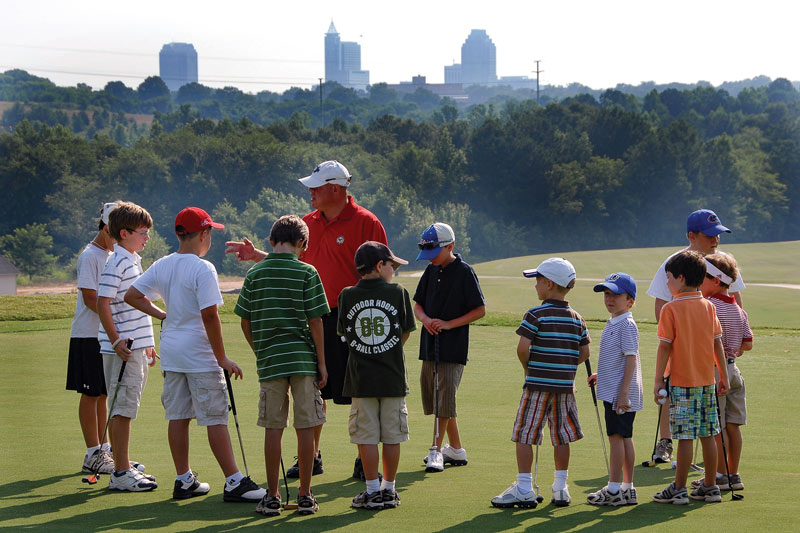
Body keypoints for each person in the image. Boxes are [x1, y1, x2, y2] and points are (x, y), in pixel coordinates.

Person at [225, 160, 388, 480]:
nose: (310, 192)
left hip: (354, 316)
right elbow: (291, 261)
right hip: (313, 315)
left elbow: (381, 272)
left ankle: (364, 458)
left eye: (316, 187)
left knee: (359, 391)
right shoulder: (306, 223)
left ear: (336, 189)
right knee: (315, 388)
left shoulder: (367, 222)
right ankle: (310, 457)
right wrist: (259, 255)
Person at [124, 207, 266, 503]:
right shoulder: (204, 268)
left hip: (173, 351)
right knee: (215, 417)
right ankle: (234, 482)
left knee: (178, 416)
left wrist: (164, 314)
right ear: (203, 234)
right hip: (199, 354)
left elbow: (132, 295)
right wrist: (222, 358)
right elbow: (210, 316)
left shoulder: (163, 264)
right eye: (210, 232)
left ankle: (184, 479)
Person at [233, 215, 330, 516]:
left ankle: (272, 496)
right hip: (302, 359)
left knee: (273, 428)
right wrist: (322, 364)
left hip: (271, 359)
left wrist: (259, 351)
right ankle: (305, 494)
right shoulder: (307, 271)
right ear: (302, 244)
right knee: (306, 427)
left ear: (271, 242)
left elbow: (245, 321)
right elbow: (315, 321)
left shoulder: (255, 274)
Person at [646, 208, 745, 464]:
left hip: (715, 346)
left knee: (711, 402)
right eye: (710, 235)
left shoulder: (723, 263)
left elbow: (735, 301)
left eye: (719, 234)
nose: (716, 240)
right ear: (692, 235)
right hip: (681, 342)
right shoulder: (676, 263)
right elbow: (661, 302)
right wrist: (672, 337)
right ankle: (666, 441)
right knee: (671, 389)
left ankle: (711, 457)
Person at [491, 258, 590, 509]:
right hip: (565, 388)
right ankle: (560, 488)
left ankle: (524, 488)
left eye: (537, 281)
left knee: (525, 433)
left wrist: (528, 369)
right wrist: (565, 368)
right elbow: (585, 352)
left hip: (536, 385)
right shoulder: (577, 318)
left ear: (548, 284)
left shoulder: (535, 314)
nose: (535, 286)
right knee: (561, 437)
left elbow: (523, 347)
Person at [337, 241, 416, 510]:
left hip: (361, 379)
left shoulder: (346, 295)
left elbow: (346, 335)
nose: (393, 270)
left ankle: (371, 490)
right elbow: (404, 332)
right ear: (380, 266)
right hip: (392, 377)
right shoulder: (398, 292)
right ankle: (388, 490)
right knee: (392, 435)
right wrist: (388, 351)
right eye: (392, 265)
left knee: (366, 436)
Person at [652, 250, 730, 505]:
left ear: (681, 277)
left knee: (685, 436)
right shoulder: (709, 306)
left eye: (669, 278)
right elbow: (717, 342)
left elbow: (664, 347)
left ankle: (678, 488)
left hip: (682, 382)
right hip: (707, 380)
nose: (667, 283)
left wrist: (658, 380)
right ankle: (710, 486)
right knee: (708, 434)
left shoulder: (671, 309)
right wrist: (723, 375)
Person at [413, 222, 485, 473]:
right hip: (429, 344)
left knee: (444, 398)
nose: (430, 259)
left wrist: (448, 324)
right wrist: (425, 320)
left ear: (450, 246)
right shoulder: (431, 271)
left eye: (434, 253)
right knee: (437, 398)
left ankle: (436, 449)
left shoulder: (465, 272)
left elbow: (479, 310)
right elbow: (418, 305)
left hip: (452, 347)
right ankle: (455, 448)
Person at [96, 201, 158, 491]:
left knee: (127, 407)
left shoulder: (132, 259)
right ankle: (121, 473)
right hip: (122, 349)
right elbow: (102, 302)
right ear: (124, 233)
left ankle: (124, 463)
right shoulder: (117, 261)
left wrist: (148, 344)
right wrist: (116, 340)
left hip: (135, 348)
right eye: (143, 232)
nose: (147, 237)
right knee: (123, 409)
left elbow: (136, 305)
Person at [693, 252, 752, 492]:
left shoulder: (709, 306)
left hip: (716, 373)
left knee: (715, 427)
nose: (699, 282)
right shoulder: (738, 309)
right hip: (734, 370)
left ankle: (719, 475)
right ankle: (733, 474)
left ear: (716, 280)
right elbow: (747, 343)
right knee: (733, 426)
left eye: (703, 278)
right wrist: (733, 349)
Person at [68, 201, 117, 475]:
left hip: (104, 334)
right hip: (88, 335)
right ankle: (92, 453)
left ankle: (104, 449)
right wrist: (114, 319)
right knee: (91, 393)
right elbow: (90, 298)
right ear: (107, 228)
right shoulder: (90, 256)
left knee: (102, 393)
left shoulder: (111, 255)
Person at [586, 273, 642, 506]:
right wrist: (603, 374)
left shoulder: (626, 325)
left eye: (616, 295)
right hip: (616, 389)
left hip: (620, 393)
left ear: (630, 301)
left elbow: (631, 359)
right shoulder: (614, 322)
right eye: (607, 294)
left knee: (616, 439)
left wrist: (623, 392)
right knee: (625, 437)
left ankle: (614, 489)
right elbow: (618, 358)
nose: (609, 299)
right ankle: (627, 488)